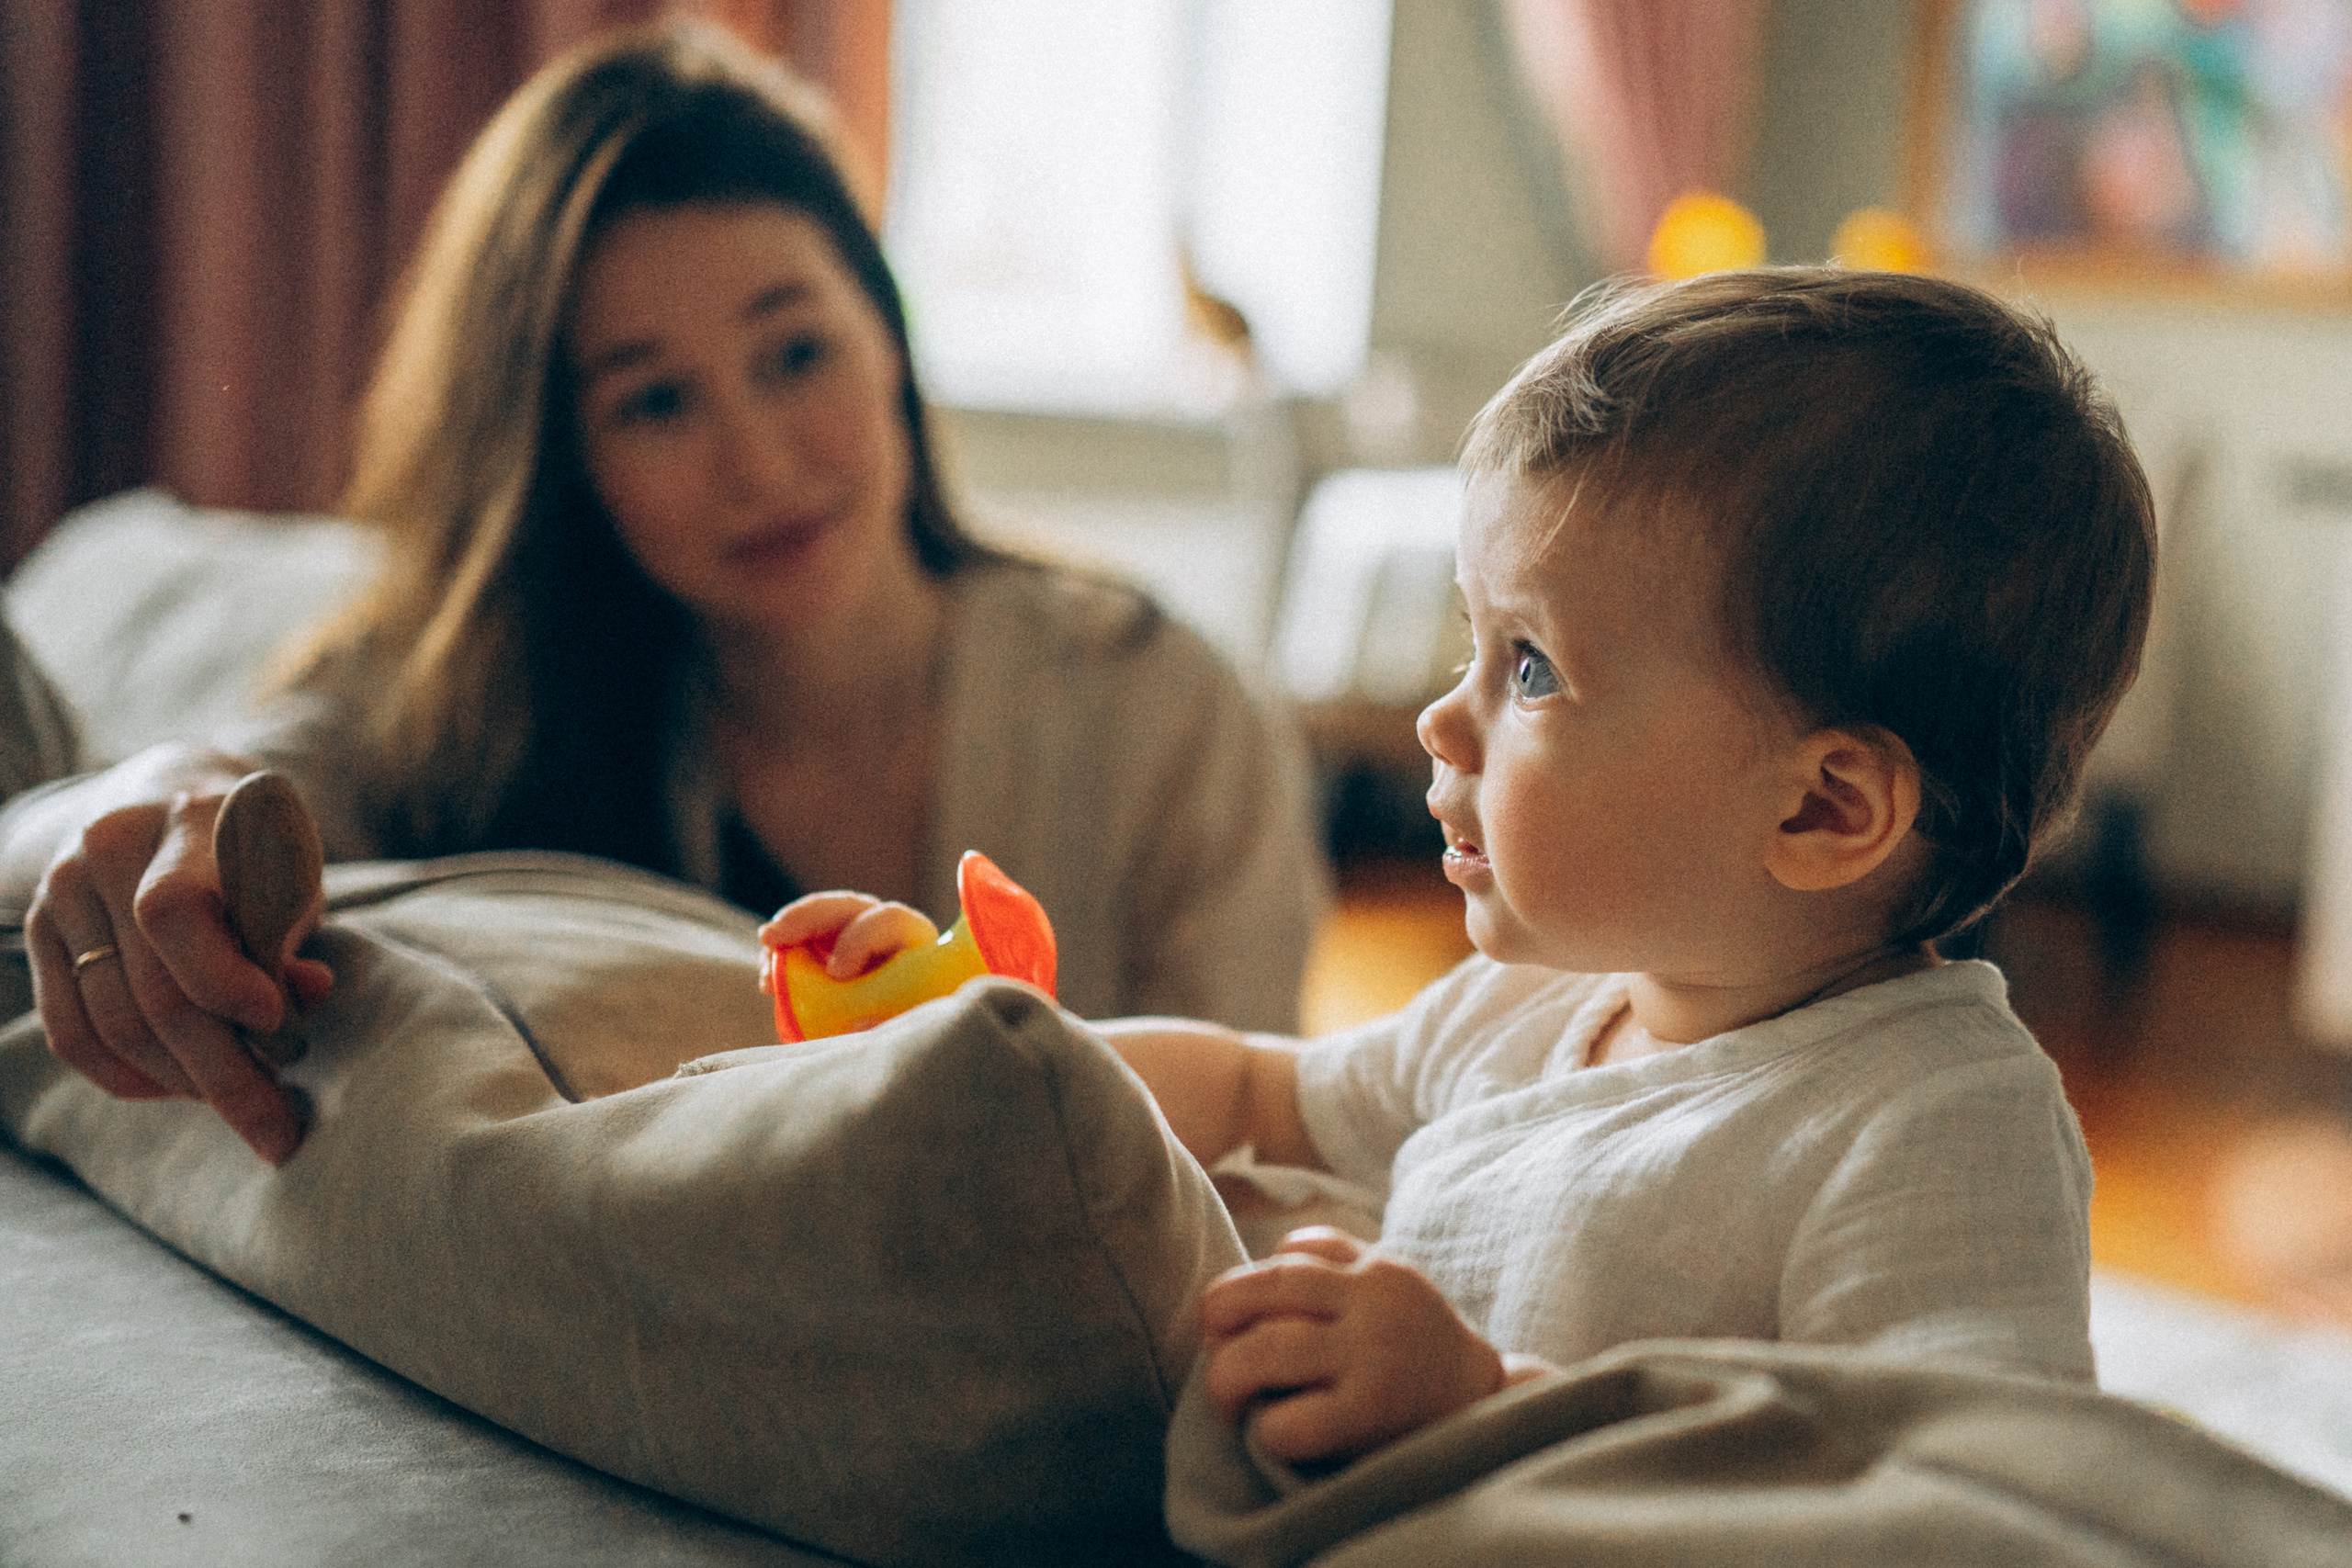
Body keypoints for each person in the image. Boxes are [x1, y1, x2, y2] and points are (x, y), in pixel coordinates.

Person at [771, 268, 2158, 1466]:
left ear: (1821, 808)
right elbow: (1258, 1095)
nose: (1443, 720)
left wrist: (1485, 1401)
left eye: (1532, 668)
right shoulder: (1530, 1009)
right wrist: (981, 1062)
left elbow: (1941, 1498)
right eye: (1472, 643)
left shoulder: (1936, 1128)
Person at [0, 20, 1323, 1167]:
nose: (759, 462)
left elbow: (1257, 1166)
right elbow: (207, 796)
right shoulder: (480, 698)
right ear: (561, 460)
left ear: (889, 341)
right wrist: (156, 799)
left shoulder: (1169, 720)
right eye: (656, 403)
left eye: (795, 353)